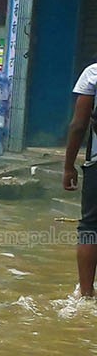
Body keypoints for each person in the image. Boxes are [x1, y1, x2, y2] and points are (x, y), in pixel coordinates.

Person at [64, 60, 97, 296]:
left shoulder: (93, 73)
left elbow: (78, 126)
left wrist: (69, 167)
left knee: (90, 227)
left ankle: (86, 294)